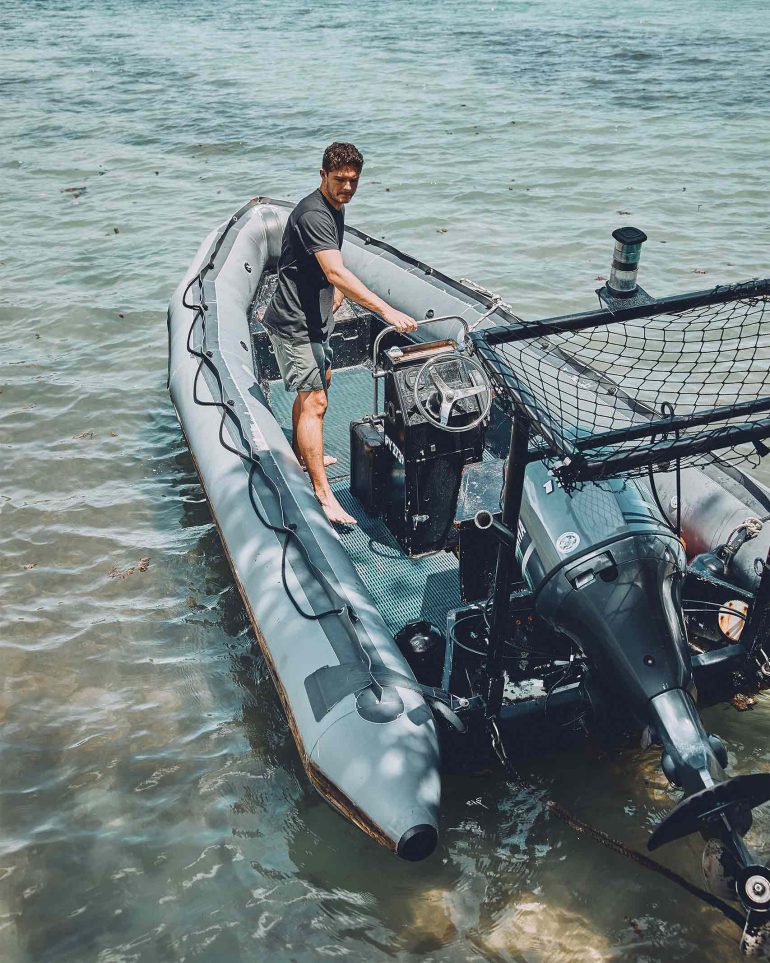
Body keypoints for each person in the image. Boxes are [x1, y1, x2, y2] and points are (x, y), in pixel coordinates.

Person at [262, 142, 417, 525]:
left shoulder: (336, 207)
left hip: (316, 318)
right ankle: (322, 493)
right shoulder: (314, 213)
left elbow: (319, 267)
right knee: (315, 402)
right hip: (295, 323)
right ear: (322, 176)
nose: (347, 187)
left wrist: (330, 299)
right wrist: (386, 310)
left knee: (319, 386)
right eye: (339, 180)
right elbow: (334, 271)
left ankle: (302, 454)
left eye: (353, 180)